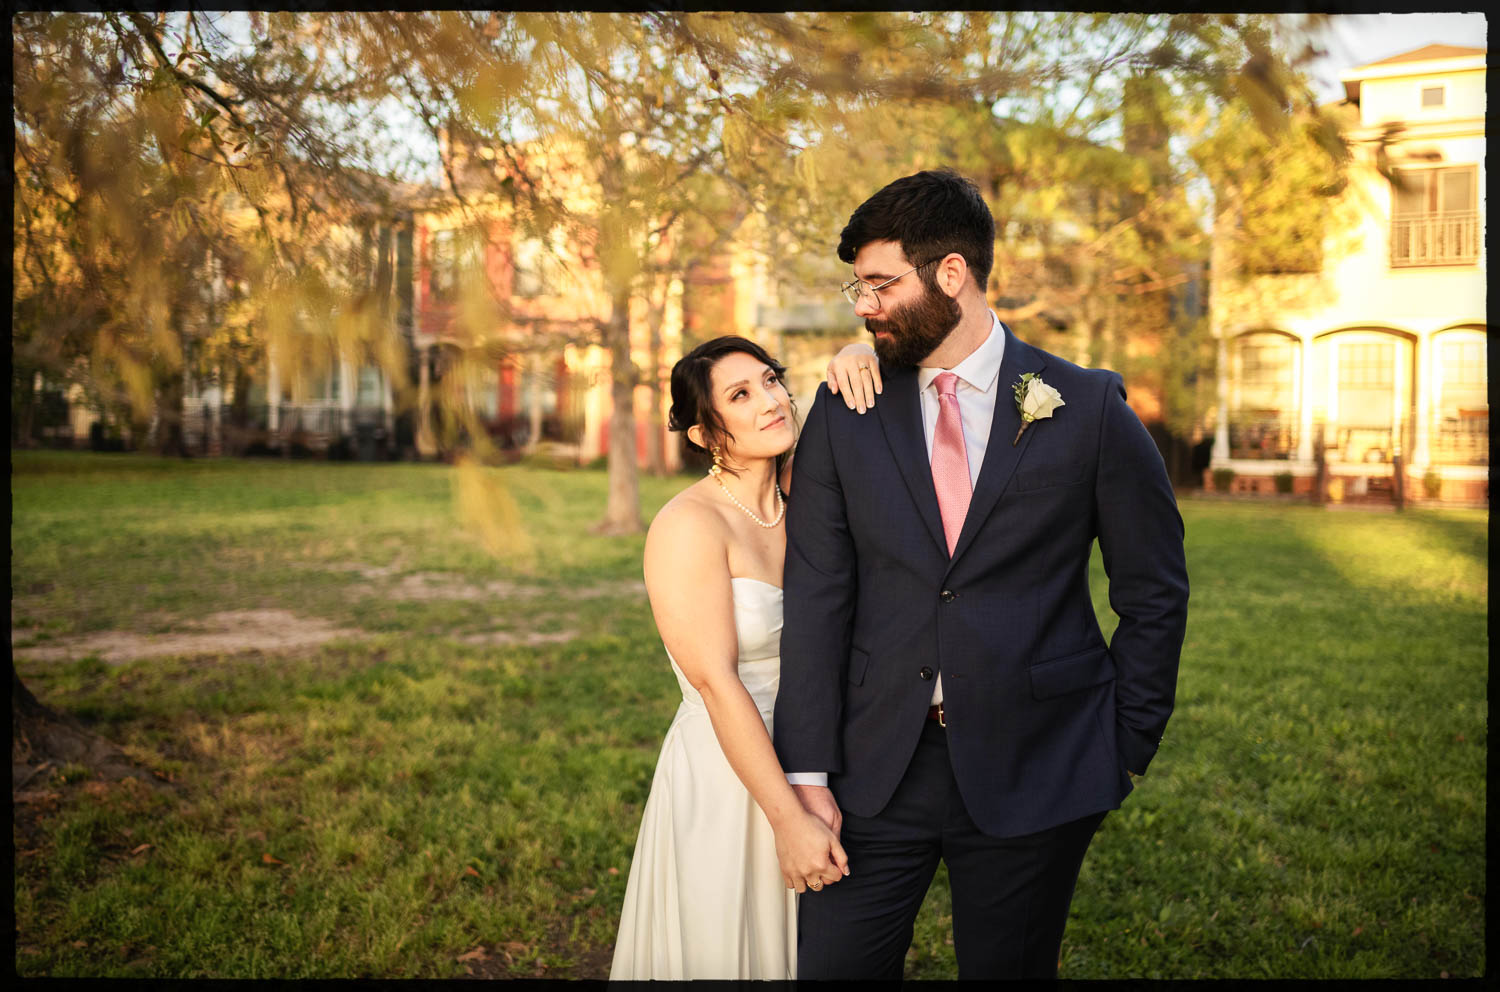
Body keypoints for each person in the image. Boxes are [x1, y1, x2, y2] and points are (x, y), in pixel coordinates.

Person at [773, 168, 1189, 980]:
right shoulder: (846, 408)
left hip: (1040, 763)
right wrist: (808, 775)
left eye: (882, 285)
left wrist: (1124, 746)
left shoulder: (1091, 408)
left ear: (951, 274)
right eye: (857, 287)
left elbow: (1153, 593)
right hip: (872, 771)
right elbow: (818, 595)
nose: (863, 306)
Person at [609, 335, 882, 980]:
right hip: (729, 778)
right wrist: (786, 817)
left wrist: (855, 351)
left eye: (771, 380)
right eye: (740, 394)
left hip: (814, 759)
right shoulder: (688, 525)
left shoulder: (808, 510)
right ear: (705, 434)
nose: (770, 400)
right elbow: (715, 681)